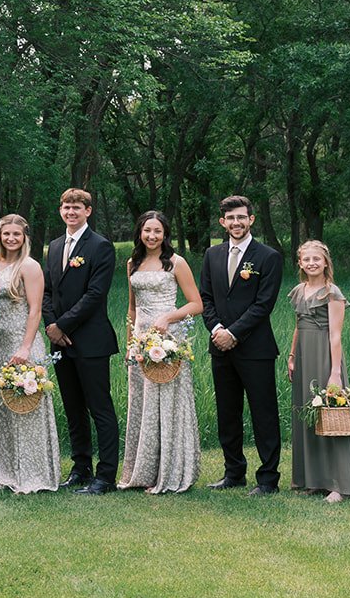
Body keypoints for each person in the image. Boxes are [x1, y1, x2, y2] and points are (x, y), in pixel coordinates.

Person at [197, 194, 283, 496]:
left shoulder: (268, 257)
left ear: (251, 220)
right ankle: (233, 472)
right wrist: (218, 329)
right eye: (230, 218)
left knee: (264, 414)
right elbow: (205, 298)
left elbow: (263, 304)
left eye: (241, 217)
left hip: (255, 349)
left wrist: (234, 333)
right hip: (220, 347)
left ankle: (268, 479)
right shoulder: (213, 255)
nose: (236, 223)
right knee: (227, 413)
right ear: (223, 222)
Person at [41, 187, 120, 494]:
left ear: (88, 211)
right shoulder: (56, 245)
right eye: (66, 207)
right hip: (59, 342)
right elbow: (48, 291)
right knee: (73, 408)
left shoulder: (101, 246)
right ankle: (81, 467)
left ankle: (106, 475)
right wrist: (51, 326)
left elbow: (95, 295)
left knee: (100, 407)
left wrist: (63, 324)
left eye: (77, 207)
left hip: (91, 340)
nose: (71, 212)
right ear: (60, 211)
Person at [117, 210, 202, 493]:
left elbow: (196, 304)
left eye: (157, 231)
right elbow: (132, 308)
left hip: (168, 341)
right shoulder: (133, 263)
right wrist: (130, 343)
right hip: (142, 342)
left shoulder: (176, 263)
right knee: (142, 404)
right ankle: (141, 472)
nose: (152, 236)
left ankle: (170, 470)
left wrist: (168, 318)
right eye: (147, 230)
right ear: (139, 232)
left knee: (166, 403)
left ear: (166, 235)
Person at [0, 214, 59, 494]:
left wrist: (26, 347)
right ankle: (4, 470)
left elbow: (36, 310)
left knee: (28, 408)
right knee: (3, 408)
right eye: (6, 234)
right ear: (0, 236)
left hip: (24, 344)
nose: (11, 239)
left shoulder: (30, 266)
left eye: (16, 234)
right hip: (2, 346)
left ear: (25, 236)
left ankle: (34, 473)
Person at [288, 240, 350, 502]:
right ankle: (313, 479)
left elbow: (336, 335)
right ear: (300, 263)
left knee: (331, 416)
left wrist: (334, 373)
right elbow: (299, 326)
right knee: (308, 416)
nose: (311, 263)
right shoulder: (300, 290)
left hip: (324, 356)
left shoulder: (332, 292)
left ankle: (340, 484)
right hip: (303, 357)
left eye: (316, 259)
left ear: (325, 263)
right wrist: (291, 357)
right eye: (306, 259)